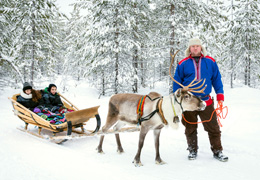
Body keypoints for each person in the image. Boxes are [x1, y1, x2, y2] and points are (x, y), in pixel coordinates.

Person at [173, 37, 228, 162]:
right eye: (193, 46)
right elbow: (177, 82)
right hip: (188, 102)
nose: (195, 48)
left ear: (201, 47)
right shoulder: (183, 64)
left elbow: (216, 79)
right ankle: (192, 150)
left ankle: (217, 151)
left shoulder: (210, 62)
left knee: (213, 127)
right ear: (189, 49)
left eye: (197, 46)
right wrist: (176, 98)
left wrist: (220, 95)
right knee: (190, 127)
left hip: (205, 100)